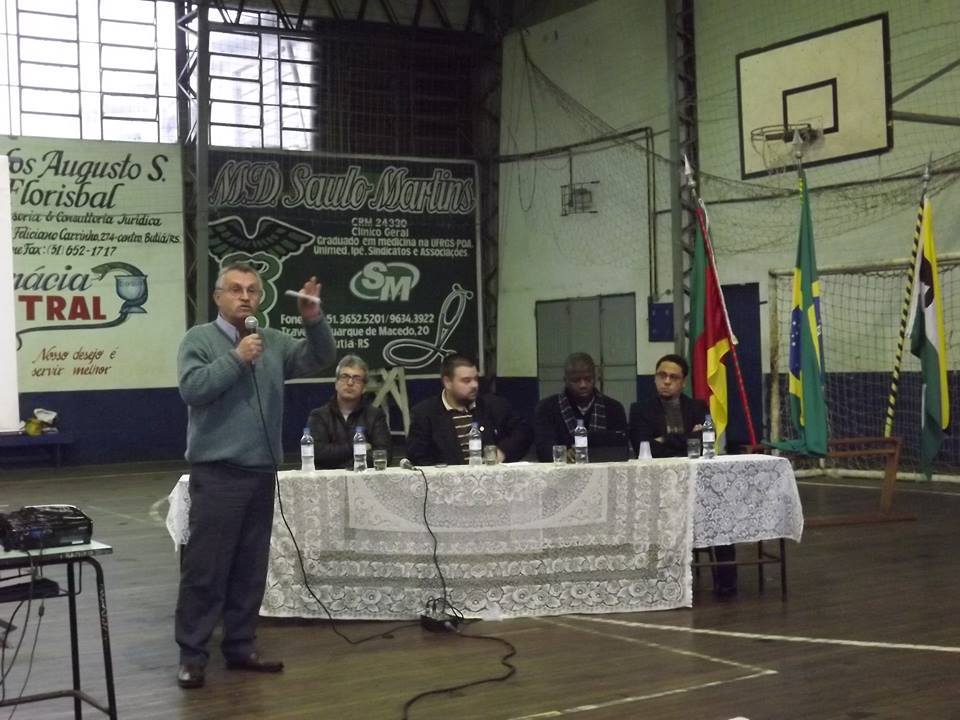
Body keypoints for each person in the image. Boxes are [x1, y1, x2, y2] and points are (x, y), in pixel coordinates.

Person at [174, 262, 336, 689]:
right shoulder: (199, 340)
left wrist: (313, 319)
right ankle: (192, 655)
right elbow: (193, 389)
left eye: (252, 291)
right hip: (218, 473)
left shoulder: (273, 342)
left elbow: (321, 357)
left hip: (261, 473)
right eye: (235, 289)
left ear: (260, 299)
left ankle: (241, 646)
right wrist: (236, 358)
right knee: (206, 571)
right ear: (218, 297)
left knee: (250, 569)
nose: (245, 296)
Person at [628, 353, 737, 598]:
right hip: (658, 488)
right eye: (662, 376)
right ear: (655, 378)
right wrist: (687, 438)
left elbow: (705, 442)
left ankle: (727, 581)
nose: (666, 381)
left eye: (673, 377)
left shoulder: (698, 407)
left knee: (721, 511)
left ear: (683, 382)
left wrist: (665, 439)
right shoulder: (640, 410)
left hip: (697, 484)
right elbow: (644, 447)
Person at [406, 354, 532, 466]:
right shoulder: (425, 413)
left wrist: (502, 451)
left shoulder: (493, 405)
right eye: (466, 381)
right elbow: (418, 457)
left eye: (476, 379)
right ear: (447, 382)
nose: (474, 385)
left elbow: (523, 432)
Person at [533, 352, 628, 462]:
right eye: (575, 380)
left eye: (588, 379)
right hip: (562, 471)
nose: (583, 385)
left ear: (596, 378)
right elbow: (543, 449)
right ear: (565, 380)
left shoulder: (614, 409)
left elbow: (621, 449)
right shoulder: (547, 408)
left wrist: (592, 453)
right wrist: (564, 455)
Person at [307, 355, 391, 469]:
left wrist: (348, 466)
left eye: (357, 378)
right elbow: (316, 453)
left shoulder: (375, 416)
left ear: (364, 387)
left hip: (363, 478)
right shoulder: (319, 416)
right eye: (344, 376)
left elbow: (384, 454)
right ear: (336, 383)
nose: (350, 382)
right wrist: (357, 447)